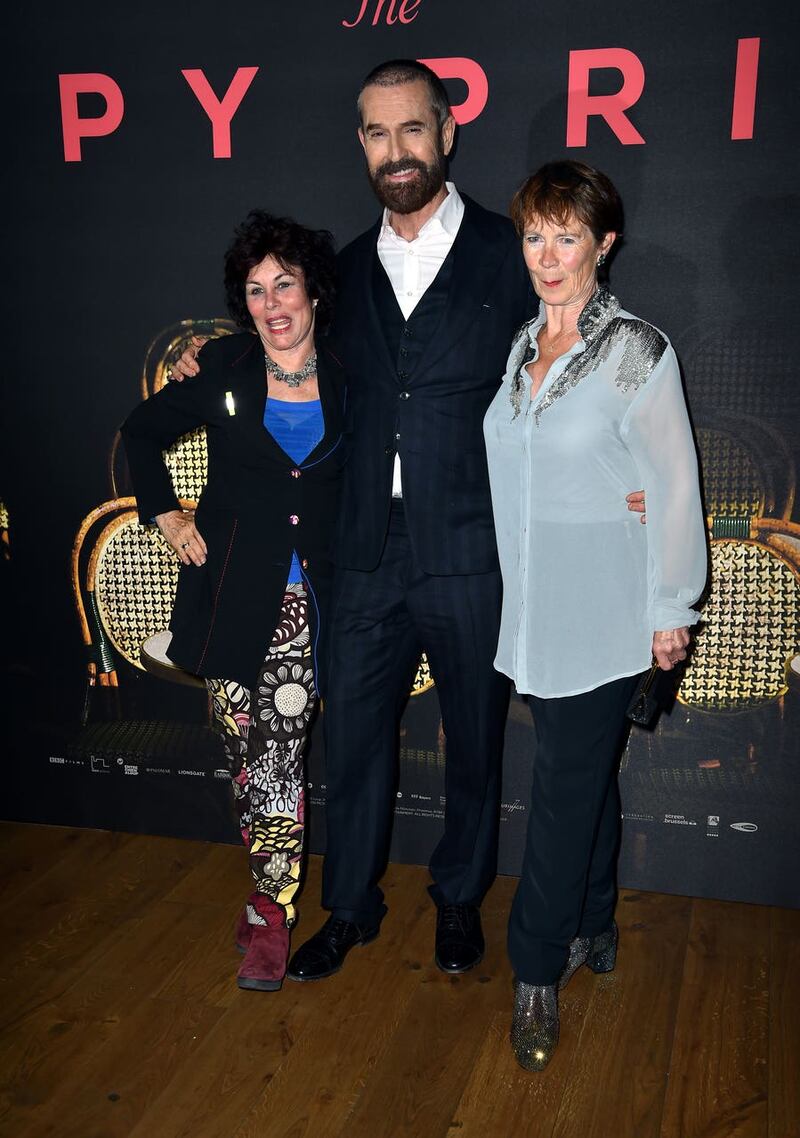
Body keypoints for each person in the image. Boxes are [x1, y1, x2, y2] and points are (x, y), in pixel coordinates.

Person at [173, 61, 646, 983]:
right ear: (362, 145)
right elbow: (284, 335)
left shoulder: (509, 256)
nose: (397, 152)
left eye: (413, 131)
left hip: (474, 547)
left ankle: (460, 898)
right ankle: (350, 907)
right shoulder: (341, 272)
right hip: (360, 550)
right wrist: (214, 352)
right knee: (350, 740)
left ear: (447, 134)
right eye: (378, 135)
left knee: (473, 738)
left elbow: (580, 350)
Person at [483, 160, 707, 1070]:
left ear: (603, 242)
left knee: (561, 794)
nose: (546, 253)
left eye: (565, 235)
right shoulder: (519, 345)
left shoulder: (639, 352)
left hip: (607, 614)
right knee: (581, 780)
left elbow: (675, 485)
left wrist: (671, 607)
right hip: (534, 612)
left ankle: (536, 970)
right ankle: (598, 924)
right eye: (534, 233)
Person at [121, 211, 346, 992]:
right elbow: (140, 433)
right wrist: (166, 512)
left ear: (312, 288)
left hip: (303, 606)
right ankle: (265, 890)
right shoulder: (218, 366)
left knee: (279, 764)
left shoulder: (355, 372)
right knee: (246, 764)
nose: (273, 302)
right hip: (223, 600)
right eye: (256, 290)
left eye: (285, 283)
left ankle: (271, 914)